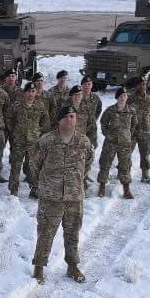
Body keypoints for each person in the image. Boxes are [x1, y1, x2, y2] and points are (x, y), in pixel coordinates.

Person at [29, 105, 93, 284]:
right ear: (59, 120)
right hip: (51, 197)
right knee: (46, 232)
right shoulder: (46, 141)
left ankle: (72, 265)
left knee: (73, 233)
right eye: (66, 117)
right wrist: (45, 185)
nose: (70, 120)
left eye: (72, 116)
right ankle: (39, 266)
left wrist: (76, 182)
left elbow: (88, 163)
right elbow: (34, 165)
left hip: (74, 196)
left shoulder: (84, 142)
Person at [7, 82, 49, 197]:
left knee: (33, 166)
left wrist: (39, 132)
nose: (31, 94)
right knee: (16, 165)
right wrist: (14, 131)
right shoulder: (16, 105)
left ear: (35, 93)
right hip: (19, 141)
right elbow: (9, 119)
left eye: (33, 91)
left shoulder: (40, 106)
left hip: (33, 142)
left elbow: (45, 121)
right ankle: (14, 189)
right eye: (28, 92)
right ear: (24, 93)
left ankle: (34, 188)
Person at [97, 87, 138, 199]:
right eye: (120, 96)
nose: (122, 98)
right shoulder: (110, 110)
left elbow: (134, 125)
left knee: (125, 165)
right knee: (105, 163)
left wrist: (128, 135)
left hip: (124, 143)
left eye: (124, 96)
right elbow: (103, 123)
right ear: (117, 98)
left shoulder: (131, 111)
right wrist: (107, 135)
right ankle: (102, 186)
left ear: (127, 97)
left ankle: (126, 189)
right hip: (111, 142)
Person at [129, 76, 150, 183]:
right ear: (136, 86)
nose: (143, 86)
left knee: (145, 154)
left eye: (144, 84)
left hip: (145, 131)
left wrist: (145, 124)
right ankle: (123, 173)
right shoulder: (129, 99)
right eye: (141, 84)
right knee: (126, 153)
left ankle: (145, 175)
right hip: (132, 132)